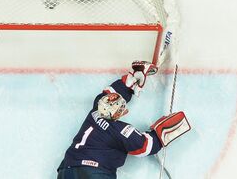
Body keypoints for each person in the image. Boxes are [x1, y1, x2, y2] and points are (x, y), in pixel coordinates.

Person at [57, 61, 190, 179]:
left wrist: (135, 76)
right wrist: (165, 128)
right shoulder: (121, 131)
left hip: (67, 170)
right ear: (121, 112)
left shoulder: (96, 110)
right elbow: (146, 146)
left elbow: (111, 95)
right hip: (94, 172)